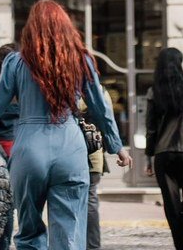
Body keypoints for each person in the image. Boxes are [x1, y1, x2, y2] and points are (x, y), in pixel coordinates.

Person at [0, 0, 133, 250]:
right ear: (65, 27)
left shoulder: (15, 62)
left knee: (30, 231)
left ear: (31, 28)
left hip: (29, 150)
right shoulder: (80, 60)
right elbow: (100, 107)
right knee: (69, 234)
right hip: (70, 150)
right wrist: (116, 146)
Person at [145, 48, 183, 250]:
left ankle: (182, 245)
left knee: (171, 206)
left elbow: (151, 128)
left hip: (163, 153)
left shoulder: (154, 91)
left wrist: (148, 157)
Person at [0, 42, 20, 250]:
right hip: (22, 148)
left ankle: (1, 246)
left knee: (2, 205)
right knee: (21, 203)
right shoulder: (26, 85)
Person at [78, 84, 114, 250]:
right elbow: (108, 121)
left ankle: (86, 245)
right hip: (93, 153)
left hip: (82, 153)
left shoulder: (68, 86)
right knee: (90, 202)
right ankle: (92, 246)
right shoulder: (101, 91)